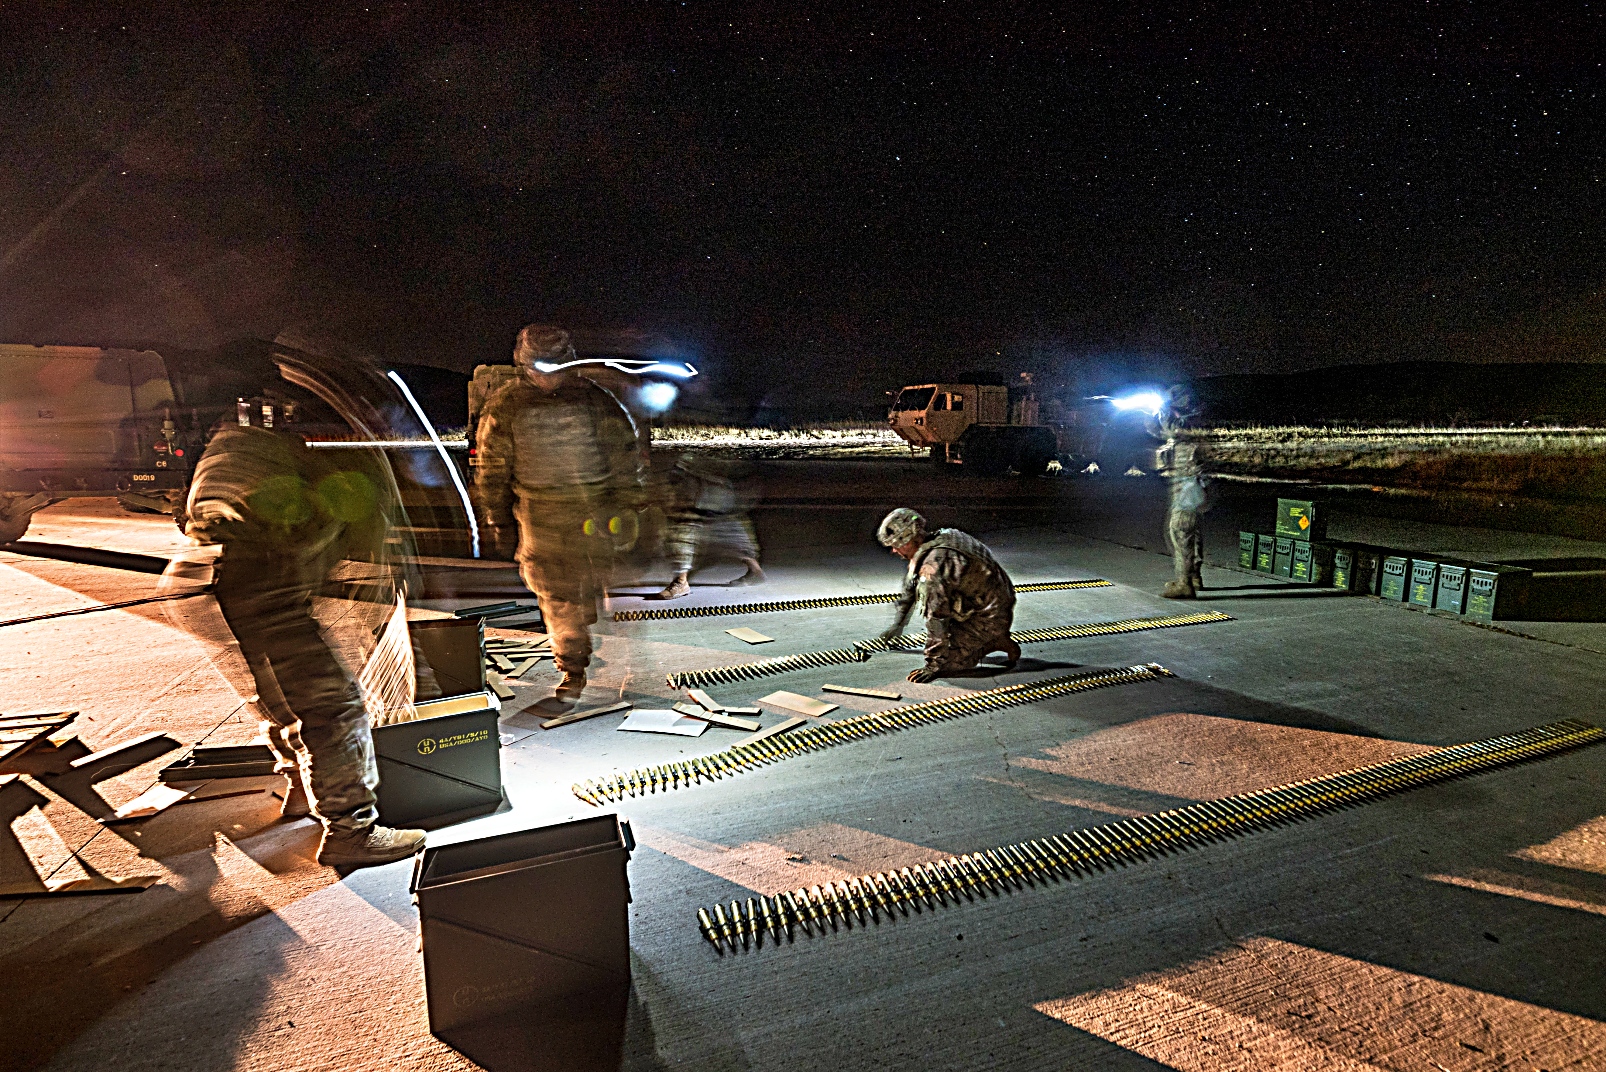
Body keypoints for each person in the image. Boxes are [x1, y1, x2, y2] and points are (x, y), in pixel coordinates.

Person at [185, 396, 426, 868]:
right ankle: (350, 831)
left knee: (278, 696)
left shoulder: (239, 444)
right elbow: (351, 546)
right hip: (262, 593)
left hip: (214, 583)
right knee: (335, 707)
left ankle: (299, 787)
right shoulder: (323, 472)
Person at [473, 325, 646, 702]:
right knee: (556, 594)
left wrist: (627, 504)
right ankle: (573, 665)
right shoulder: (507, 405)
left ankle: (584, 632)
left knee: (590, 583)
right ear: (524, 366)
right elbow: (493, 465)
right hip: (542, 515)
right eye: (540, 367)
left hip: (594, 511)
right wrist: (496, 516)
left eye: (556, 366)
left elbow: (623, 453)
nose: (548, 376)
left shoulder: (595, 401)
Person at [875, 508, 1019, 683]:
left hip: (990, 616)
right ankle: (990, 636)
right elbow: (911, 586)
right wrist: (898, 624)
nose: (894, 551)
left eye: (896, 545)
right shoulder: (945, 536)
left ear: (909, 540)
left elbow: (936, 617)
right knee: (949, 631)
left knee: (951, 661)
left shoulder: (933, 568)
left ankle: (993, 640)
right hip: (996, 602)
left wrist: (934, 665)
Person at [655, 453, 764, 599]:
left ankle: (680, 582)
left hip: (704, 487)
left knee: (684, 527)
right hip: (717, 487)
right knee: (728, 527)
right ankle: (755, 569)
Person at [1152, 385, 1207, 599]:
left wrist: (1164, 411)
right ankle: (1193, 576)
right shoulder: (1186, 418)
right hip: (1189, 484)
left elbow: (1175, 430)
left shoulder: (1193, 420)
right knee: (1191, 530)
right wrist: (1153, 416)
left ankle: (1185, 584)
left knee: (1181, 529)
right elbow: (1161, 432)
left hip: (1191, 484)